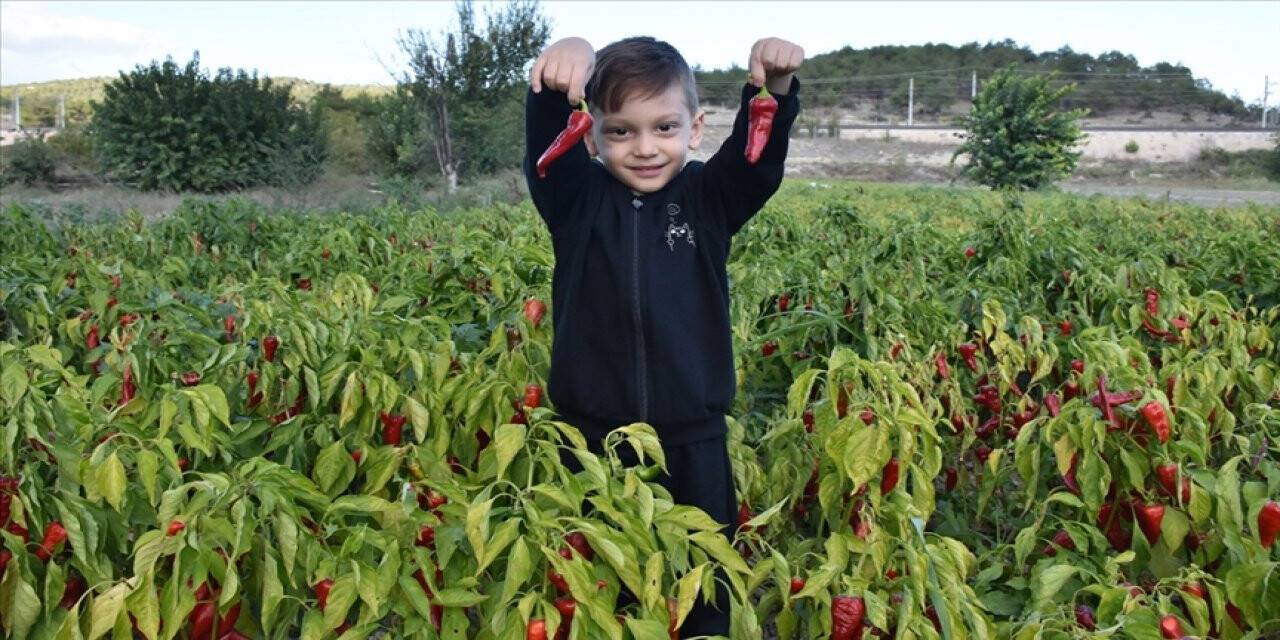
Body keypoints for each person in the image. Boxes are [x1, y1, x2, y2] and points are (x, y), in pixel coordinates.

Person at [524, 34, 803, 636]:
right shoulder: (575, 202)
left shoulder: (708, 199)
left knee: (704, 590)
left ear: (695, 129)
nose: (645, 148)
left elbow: (756, 162)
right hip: (590, 442)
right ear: (590, 135)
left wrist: (773, 89)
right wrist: (560, 67)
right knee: (598, 587)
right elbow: (547, 150)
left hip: (692, 442)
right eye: (620, 131)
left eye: (664, 128)